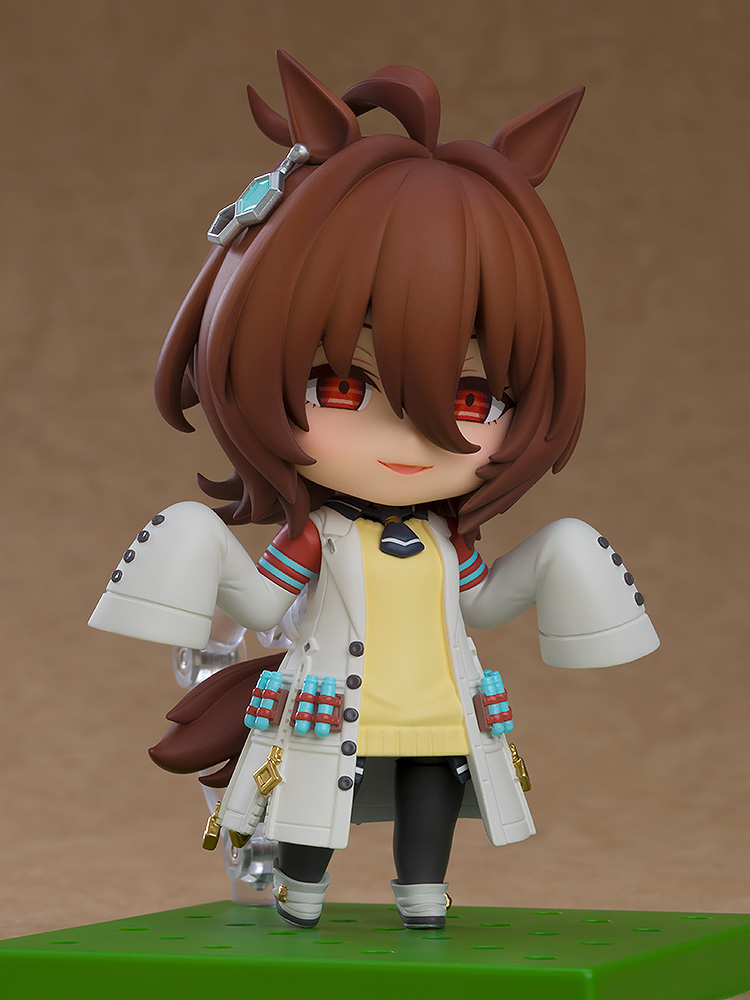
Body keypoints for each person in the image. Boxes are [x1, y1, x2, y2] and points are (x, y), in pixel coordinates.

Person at [89, 52, 659, 929]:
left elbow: (486, 601)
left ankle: (422, 892)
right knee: (310, 793)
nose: (409, 436)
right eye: (343, 386)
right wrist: (191, 544)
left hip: (437, 704)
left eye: (470, 399)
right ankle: (303, 888)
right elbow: (260, 603)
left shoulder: (447, 544)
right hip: (333, 702)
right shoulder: (317, 538)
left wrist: (562, 557)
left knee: (435, 786)